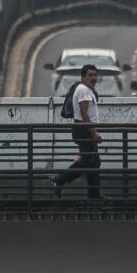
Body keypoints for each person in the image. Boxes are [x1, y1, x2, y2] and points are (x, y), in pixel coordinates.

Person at [50, 64, 102, 199]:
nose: (93, 78)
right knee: (88, 161)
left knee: (94, 161)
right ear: (83, 77)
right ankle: (59, 179)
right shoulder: (84, 90)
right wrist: (94, 132)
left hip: (83, 128)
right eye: (90, 75)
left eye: (95, 75)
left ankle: (94, 196)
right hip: (84, 129)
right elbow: (84, 114)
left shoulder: (85, 89)